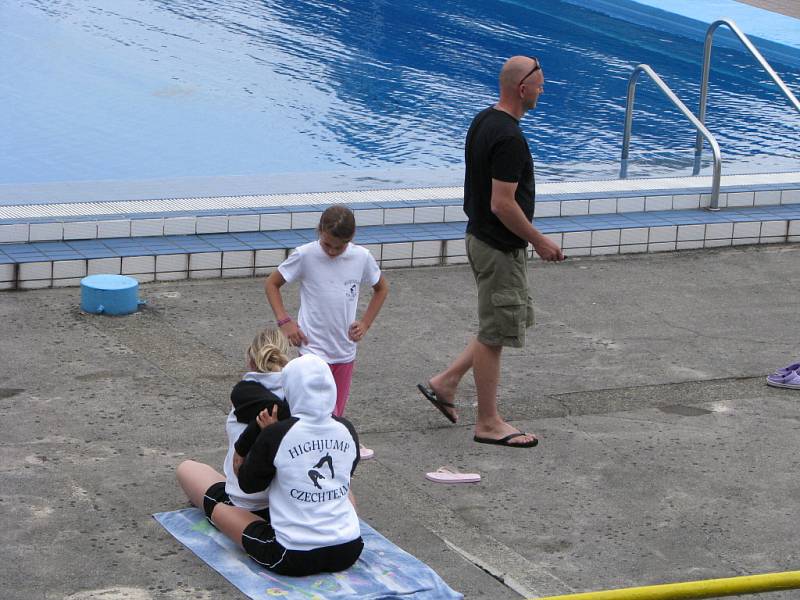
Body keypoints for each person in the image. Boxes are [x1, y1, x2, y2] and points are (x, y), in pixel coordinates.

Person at [417, 55, 564, 448]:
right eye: (539, 83)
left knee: (495, 327)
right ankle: (488, 422)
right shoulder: (510, 138)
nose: (542, 89)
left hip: (481, 239)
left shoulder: (484, 120)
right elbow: (503, 203)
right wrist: (540, 240)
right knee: (495, 333)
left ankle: (445, 383)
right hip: (498, 246)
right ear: (522, 88)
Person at [177, 354, 363, 576]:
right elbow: (346, 471)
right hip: (349, 549)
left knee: (218, 508)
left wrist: (263, 440)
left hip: (292, 555)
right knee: (339, 485)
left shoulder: (276, 433)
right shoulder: (347, 428)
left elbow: (247, 484)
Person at [264, 205, 389, 459]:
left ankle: (329, 450)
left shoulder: (361, 257)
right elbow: (272, 283)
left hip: (344, 350)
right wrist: (285, 321)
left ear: (350, 240)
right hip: (312, 348)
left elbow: (381, 288)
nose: (332, 251)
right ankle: (302, 451)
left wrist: (365, 323)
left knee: (335, 412)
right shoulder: (305, 255)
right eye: (327, 244)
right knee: (308, 407)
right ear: (319, 231)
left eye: (339, 247)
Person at [177, 327, 291, 523]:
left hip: (245, 504)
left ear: (251, 360)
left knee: (186, 468)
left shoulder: (245, 394)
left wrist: (246, 444)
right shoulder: (298, 396)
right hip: (292, 502)